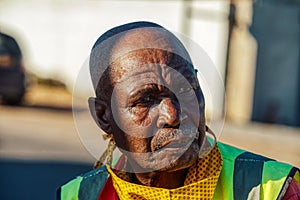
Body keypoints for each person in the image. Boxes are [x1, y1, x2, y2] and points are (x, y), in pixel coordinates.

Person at [57, 21, 300, 200]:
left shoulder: (273, 188)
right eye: (146, 100)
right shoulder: (78, 195)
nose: (173, 115)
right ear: (103, 116)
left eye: (186, 91)